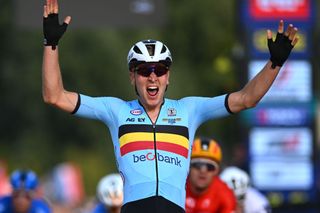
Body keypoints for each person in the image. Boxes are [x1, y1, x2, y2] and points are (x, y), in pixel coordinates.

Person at [41, 0, 298, 212]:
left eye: (160, 69)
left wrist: (274, 63)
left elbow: (246, 99)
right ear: (132, 76)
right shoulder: (116, 110)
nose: (153, 76)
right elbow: (55, 96)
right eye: (144, 70)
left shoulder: (189, 110)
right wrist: (51, 45)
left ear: (168, 76)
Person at [186, 137, 237, 213]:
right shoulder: (175, 187)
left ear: (216, 171)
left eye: (210, 167)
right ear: (188, 167)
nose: (203, 171)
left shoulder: (225, 193)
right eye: (197, 165)